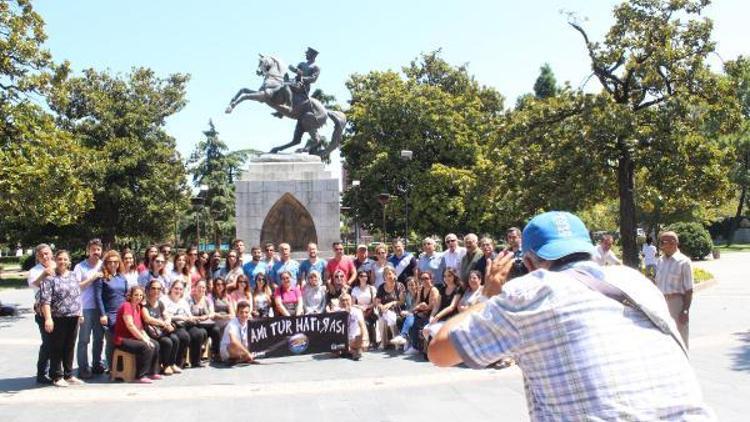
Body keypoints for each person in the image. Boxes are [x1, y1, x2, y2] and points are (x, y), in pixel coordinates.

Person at [428, 211, 714, 420]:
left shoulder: (529, 293)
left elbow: (440, 351)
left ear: (528, 262)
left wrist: (490, 296)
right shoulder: (635, 281)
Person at [40, 250, 84, 387]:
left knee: (70, 346)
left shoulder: (73, 276)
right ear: (55, 260)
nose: (62, 262)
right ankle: (56, 376)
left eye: (65, 259)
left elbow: (78, 295)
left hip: (73, 316)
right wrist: (48, 318)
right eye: (60, 259)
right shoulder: (50, 278)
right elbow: (45, 301)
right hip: (57, 317)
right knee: (57, 347)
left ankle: (69, 374)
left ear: (69, 261)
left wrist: (80, 313)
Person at [112, 286, 162, 383]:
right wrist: (144, 340)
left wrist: (147, 339)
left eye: (140, 295)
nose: (138, 297)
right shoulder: (126, 306)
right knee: (145, 347)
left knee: (155, 344)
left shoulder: (138, 307)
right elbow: (130, 325)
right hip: (122, 339)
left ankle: (153, 372)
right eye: (136, 295)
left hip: (133, 337)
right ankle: (140, 376)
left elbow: (140, 328)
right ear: (130, 296)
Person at [655, 231, 693, 348]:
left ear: (673, 243)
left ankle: (684, 363)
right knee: (664, 336)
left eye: (662, 242)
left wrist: (685, 310)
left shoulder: (684, 262)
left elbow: (689, 289)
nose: (660, 245)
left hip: (676, 303)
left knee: (680, 336)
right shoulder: (660, 261)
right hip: (661, 302)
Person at [75, 238, 105, 379]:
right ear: (88, 250)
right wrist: (93, 278)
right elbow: (77, 287)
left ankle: (97, 364)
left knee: (99, 338)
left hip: (100, 308)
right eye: (93, 250)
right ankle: (83, 368)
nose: (96, 252)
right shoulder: (80, 267)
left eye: (98, 250)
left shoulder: (104, 265)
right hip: (85, 307)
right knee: (84, 340)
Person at [142, 279, 185, 375]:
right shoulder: (144, 304)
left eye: (158, 289)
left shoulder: (160, 303)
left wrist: (168, 323)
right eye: (153, 288)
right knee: (167, 342)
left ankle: (172, 364)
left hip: (160, 331)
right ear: (148, 290)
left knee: (175, 338)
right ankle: (165, 366)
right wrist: (163, 323)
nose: (156, 291)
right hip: (150, 333)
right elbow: (148, 319)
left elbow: (166, 315)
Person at [95, 250, 129, 365]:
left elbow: (126, 296)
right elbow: (98, 298)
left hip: (123, 313)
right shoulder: (101, 278)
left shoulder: (122, 278)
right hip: (110, 314)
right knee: (111, 341)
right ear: (106, 263)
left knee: (123, 339)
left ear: (119, 263)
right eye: (110, 262)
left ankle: (122, 366)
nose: (113, 264)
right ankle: (111, 367)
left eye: (116, 261)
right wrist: (103, 314)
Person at [28, 243, 56, 384]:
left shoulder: (58, 266)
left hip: (60, 311)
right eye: (41, 255)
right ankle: (42, 372)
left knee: (59, 342)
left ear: (51, 253)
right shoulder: (34, 271)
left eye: (47, 253)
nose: (45, 257)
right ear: (38, 257)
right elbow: (34, 285)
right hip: (43, 311)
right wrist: (44, 274)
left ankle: (56, 371)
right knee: (47, 343)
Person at [161, 280, 205, 369]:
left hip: (185, 323)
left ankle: (195, 361)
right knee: (184, 337)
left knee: (198, 333)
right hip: (173, 324)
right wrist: (180, 317)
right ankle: (177, 362)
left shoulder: (183, 301)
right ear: (171, 288)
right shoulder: (164, 300)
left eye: (181, 289)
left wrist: (194, 319)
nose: (178, 291)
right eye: (176, 288)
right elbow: (164, 316)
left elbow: (189, 315)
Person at [188, 280, 222, 361]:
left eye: (203, 287)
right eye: (199, 287)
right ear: (195, 288)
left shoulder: (207, 299)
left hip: (206, 323)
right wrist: (198, 318)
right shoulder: (189, 299)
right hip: (195, 324)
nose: (201, 289)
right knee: (201, 332)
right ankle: (196, 358)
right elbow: (188, 314)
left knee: (216, 330)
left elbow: (212, 313)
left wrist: (206, 316)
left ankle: (216, 353)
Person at [407, 271, 440, 354]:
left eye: (426, 278)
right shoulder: (421, 289)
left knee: (423, 325)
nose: (424, 281)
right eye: (422, 279)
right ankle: (415, 346)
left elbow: (432, 306)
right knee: (411, 322)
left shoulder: (433, 290)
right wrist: (417, 308)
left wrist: (423, 307)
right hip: (421, 313)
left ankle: (427, 348)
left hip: (430, 315)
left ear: (431, 280)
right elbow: (417, 302)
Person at [374, 266, 405, 348]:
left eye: (390, 273)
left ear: (394, 274)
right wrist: (381, 306)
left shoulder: (399, 286)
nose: (388, 276)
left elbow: (402, 301)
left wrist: (391, 303)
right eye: (386, 274)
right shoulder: (381, 287)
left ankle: (384, 343)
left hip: (396, 310)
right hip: (383, 311)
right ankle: (395, 341)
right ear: (384, 277)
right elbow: (377, 301)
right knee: (382, 319)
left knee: (388, 315)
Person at [389, 276, 420, 351]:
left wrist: (408, 312)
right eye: (409, 285)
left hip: (416, 313)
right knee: (399, 319)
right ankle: (406, 340)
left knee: (410, 317)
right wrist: (395, 302)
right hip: (408, 314)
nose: (411, 287)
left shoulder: (419, 293)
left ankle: (403, 336)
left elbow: (416, 306)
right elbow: (401, 302)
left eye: (412, 285)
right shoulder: (406, 294)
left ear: (416, 285)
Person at [350, 269, 377, 342]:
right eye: (361, 276)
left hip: (370, 311)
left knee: (368, 323)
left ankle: (369, 340)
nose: (363, 278)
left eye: (365, 276)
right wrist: (360, 307)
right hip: (358, 310)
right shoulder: (355, 289)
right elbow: (352, 304)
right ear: (358, 277)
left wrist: (367, 307)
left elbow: (375, 303)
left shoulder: (372, 288)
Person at [339, 293, 366, 360]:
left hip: (353, 338)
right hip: (342, 340)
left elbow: (362, 325)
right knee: (333, 353)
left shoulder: (357, 311)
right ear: (339, 302)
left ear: (351, 301)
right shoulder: (336, 312)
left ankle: (351, 351)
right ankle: (353, 352)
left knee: (359, 337)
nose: (345, 302)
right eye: (343, 300)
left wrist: (365, 339)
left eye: (347, 300)